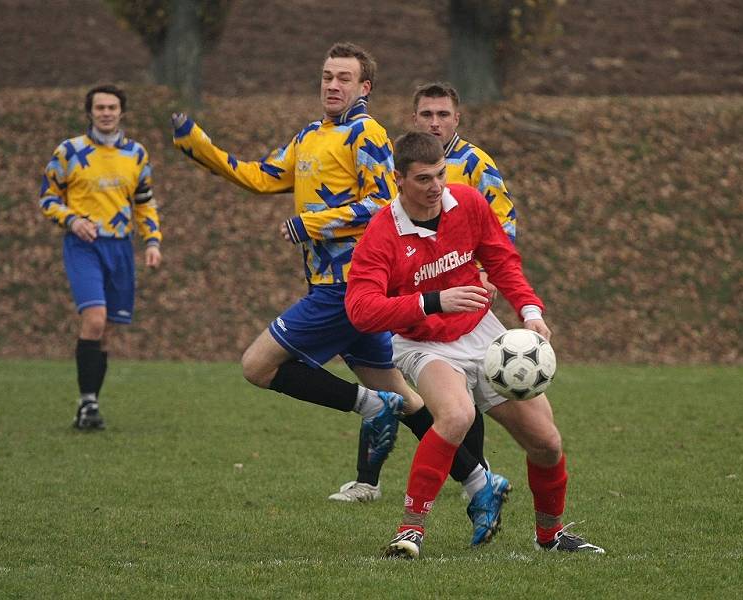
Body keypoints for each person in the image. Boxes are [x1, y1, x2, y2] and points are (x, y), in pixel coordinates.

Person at [172, 43, 508, 546]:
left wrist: (313, 223)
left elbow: (381, 202)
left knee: (257, 366)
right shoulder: (310, 136)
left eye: (344, 78)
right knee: (411, 402)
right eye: (327, 76)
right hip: (333, 287)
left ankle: (368, 408)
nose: (333, 85)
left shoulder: (365, 132)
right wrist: (199, 147)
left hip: (349, 285)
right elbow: (261, 177)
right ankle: (482, 482)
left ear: (364, 87)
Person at [345, 131, 605, 559]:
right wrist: (433, 301)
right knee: (456, 414)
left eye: (440, 175)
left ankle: (551, 537)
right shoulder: (381, 235)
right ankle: (410, 531)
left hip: (483, 334)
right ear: (398, 179)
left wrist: (531, 311)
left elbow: (502, 259)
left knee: (547, 442)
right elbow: (361, 310)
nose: (436, 187)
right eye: (424, 179)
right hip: (423, 344)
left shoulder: (466, 203)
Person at [331, 81, 517, 504]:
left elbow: (501, 226)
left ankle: (474, 476)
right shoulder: (403, 161)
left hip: (461, 303)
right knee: (397, 382)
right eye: (427, 115)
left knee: (457, 395)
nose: (435, 122)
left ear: (458, 118)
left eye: (443, 115)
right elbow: (387, 216)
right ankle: (376, 479)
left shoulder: (475, 164)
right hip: (402, 294)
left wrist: (487, 273)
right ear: (414, 119)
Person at [39, 84, 163, 430]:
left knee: (107, 330)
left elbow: (144, 202)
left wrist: (152, 241)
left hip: (121, 248)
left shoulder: (136, 154)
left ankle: (88, 406)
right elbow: (47, 198)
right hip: (84, 247)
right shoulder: (69, 152)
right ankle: (88, 404)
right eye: (100, 108)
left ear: (121, 112)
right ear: (89, 112)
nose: (106, 113)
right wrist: (73, 220)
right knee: (94, 319)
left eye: (112, 107)